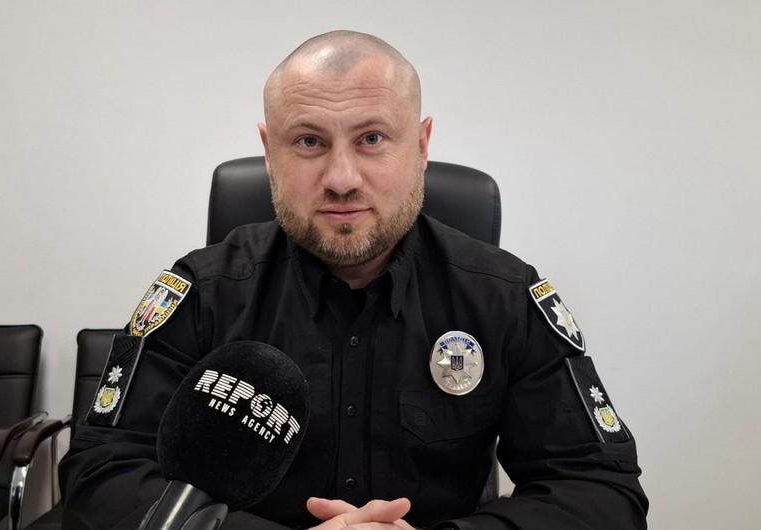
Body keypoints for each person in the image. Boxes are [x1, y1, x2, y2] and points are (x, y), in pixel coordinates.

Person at [59, 30, 648, 529]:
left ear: (421, 145)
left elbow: (603, 491)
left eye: (372, 139)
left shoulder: (504, 298)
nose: (342, 178)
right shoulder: (203, 292)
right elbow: (99, 475)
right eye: (309, 141)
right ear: (269, 153)